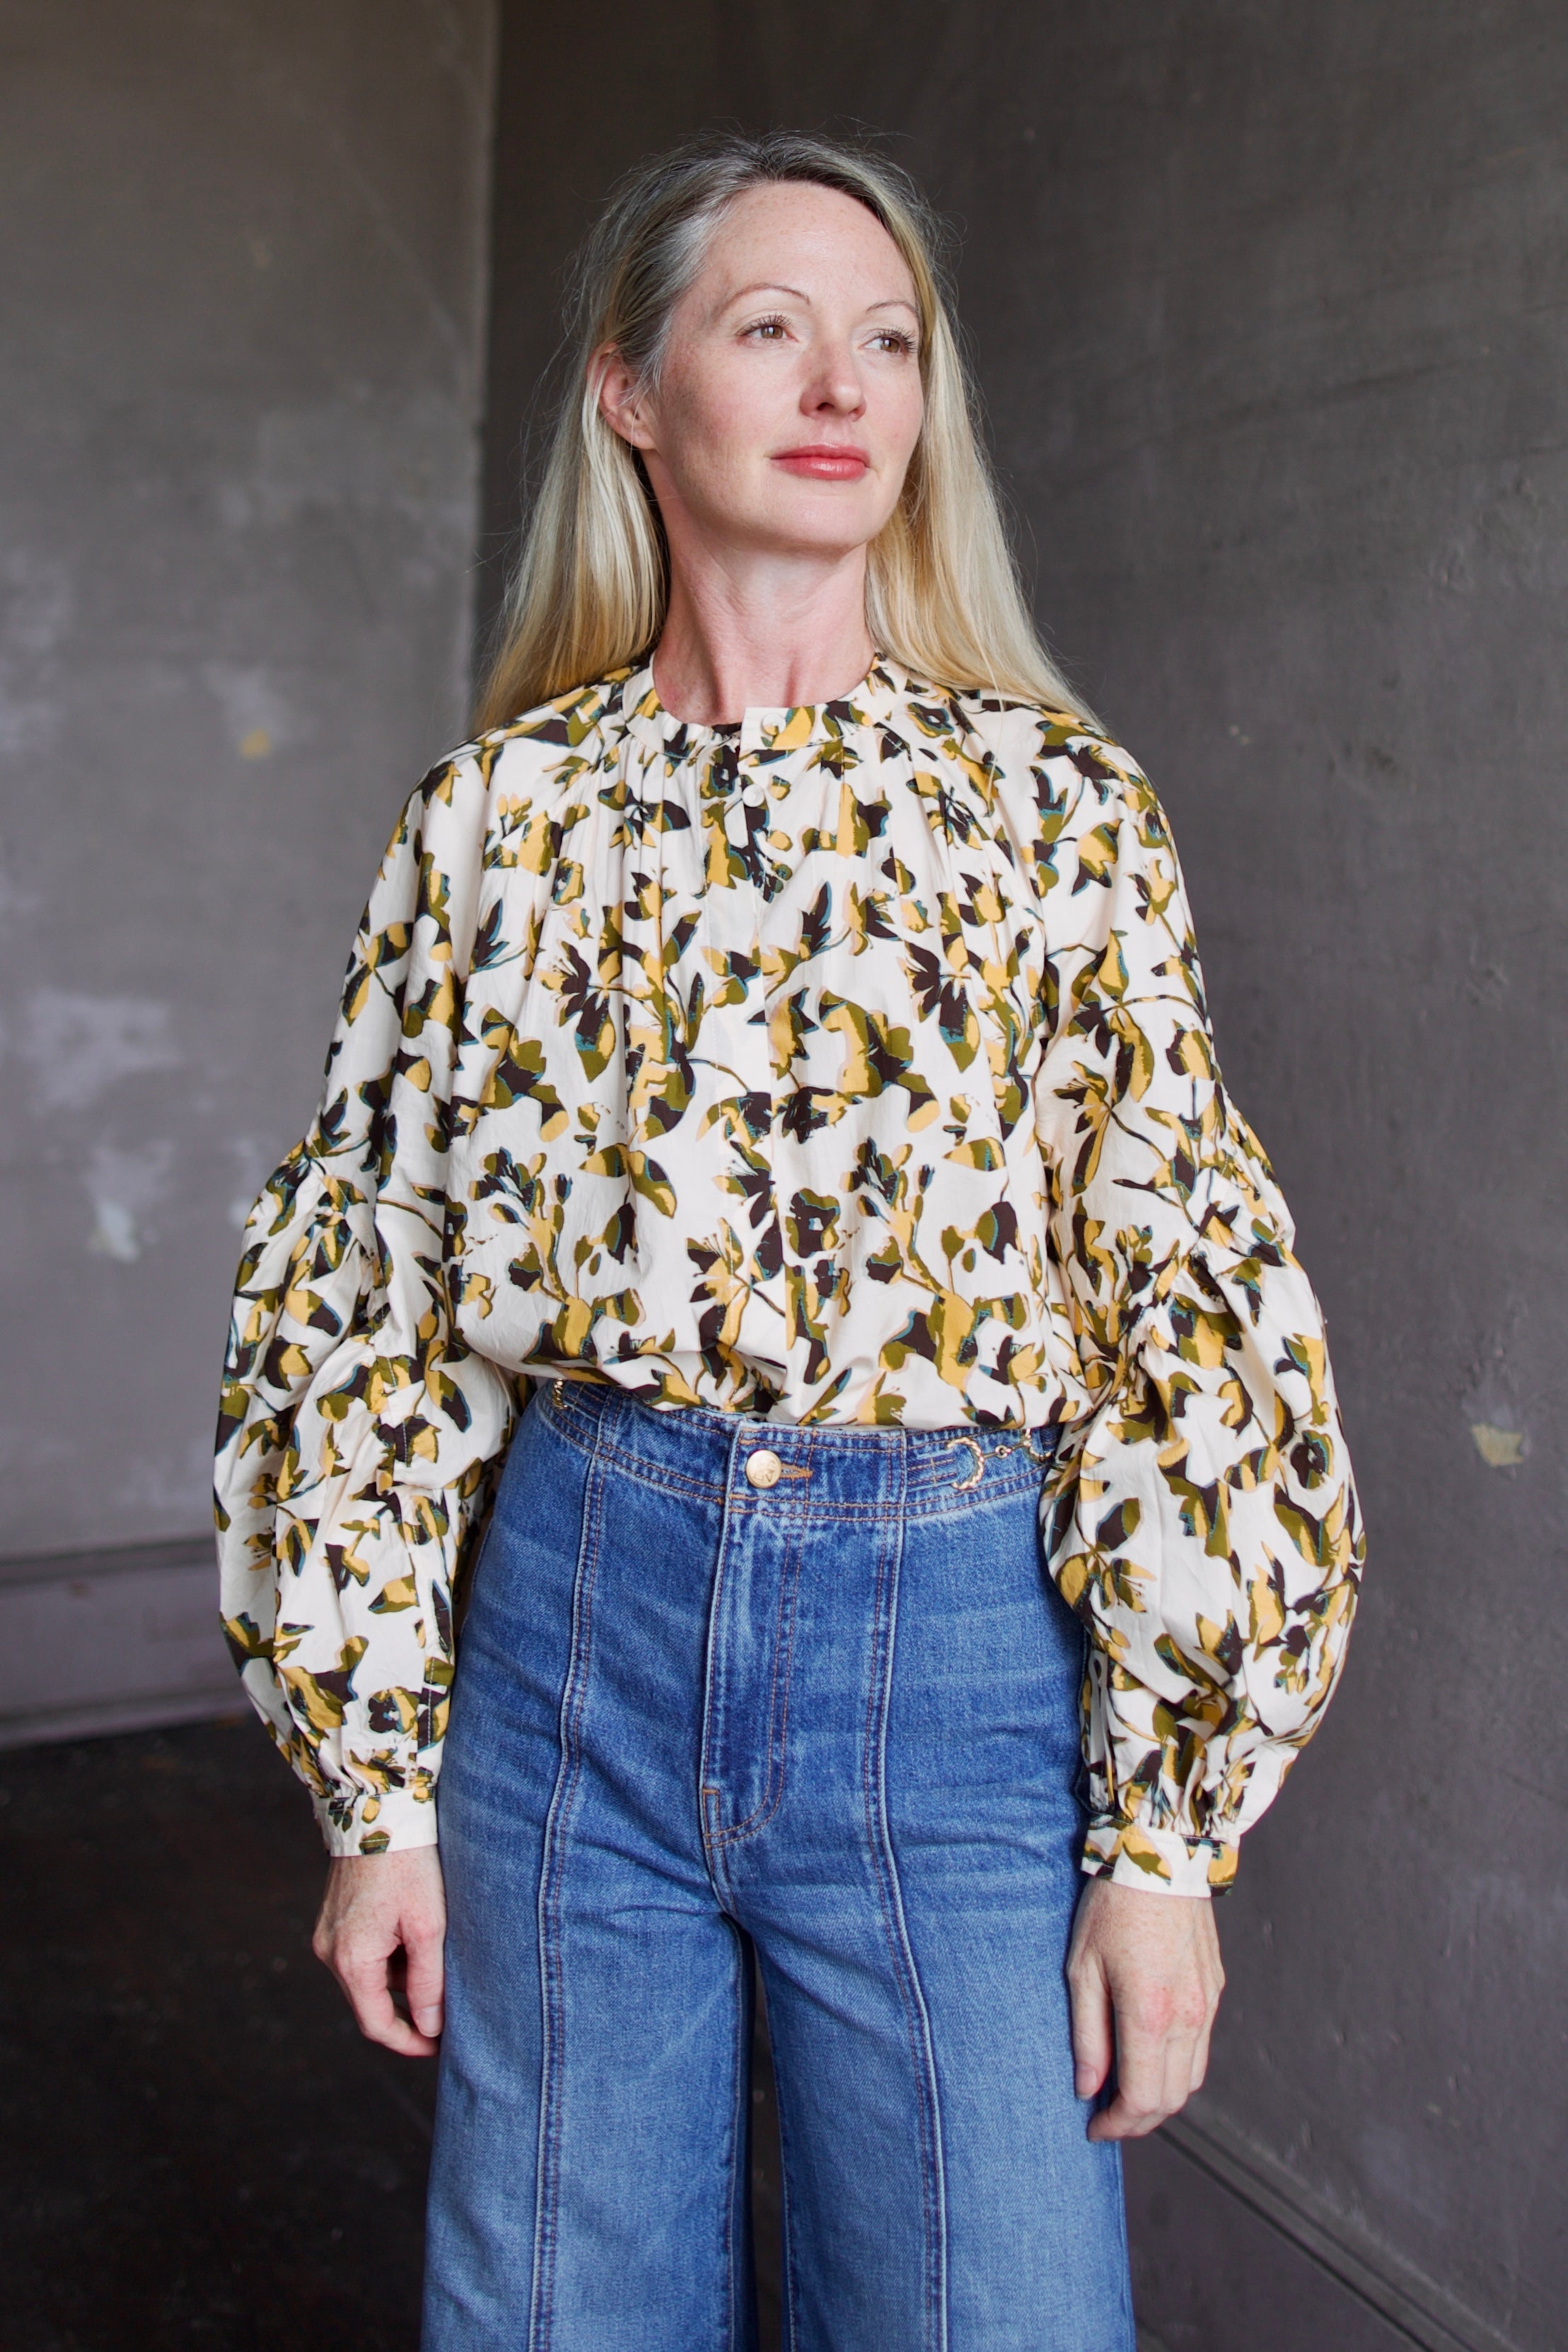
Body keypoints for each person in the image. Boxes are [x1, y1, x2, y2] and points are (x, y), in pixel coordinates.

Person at [217, 131, 1361, 2351]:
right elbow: (361, 1291)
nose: (844, 382)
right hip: (572, 1652)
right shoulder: (495, 822)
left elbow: (1195, 1306)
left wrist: (1165, 1844)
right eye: (770, 326)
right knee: (560, 2313)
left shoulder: (1056, 812)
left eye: (890, 339)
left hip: (950, 1663)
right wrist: (375, 1791)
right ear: (635, 395)